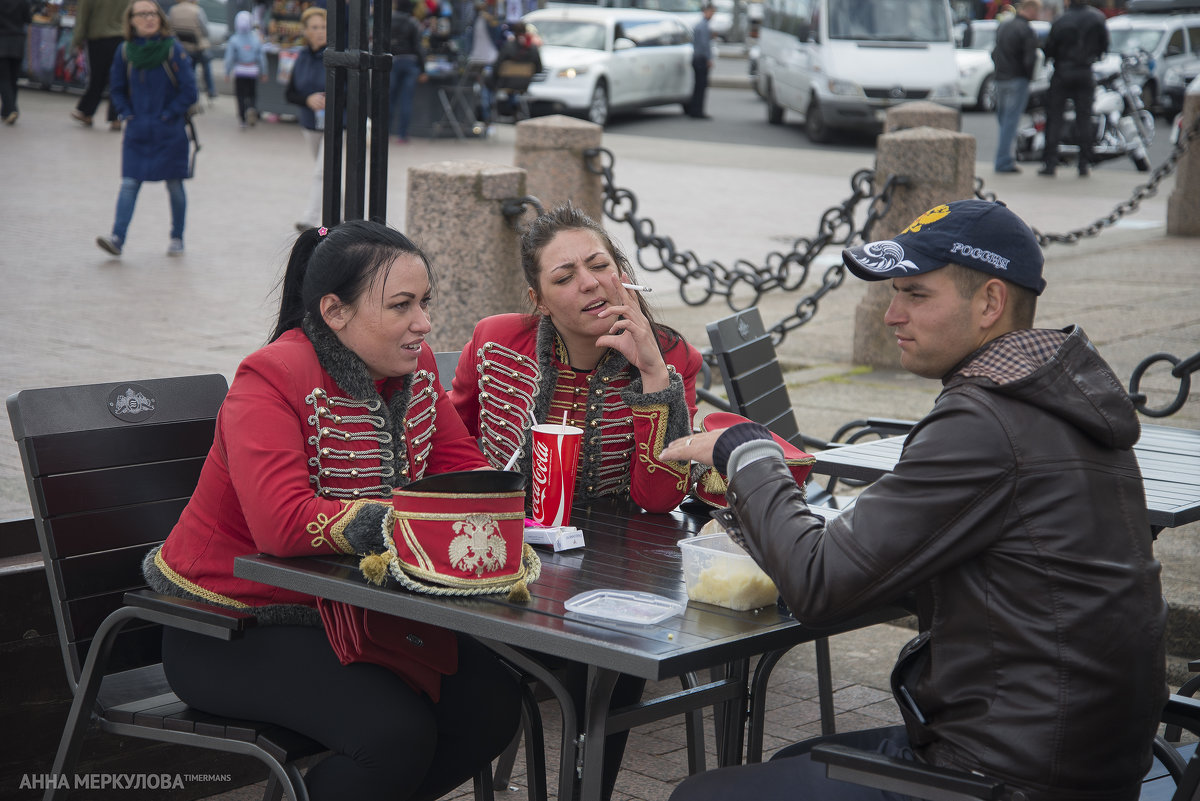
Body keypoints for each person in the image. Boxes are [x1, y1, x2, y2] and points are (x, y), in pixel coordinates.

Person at [661, 199, 1167, 801]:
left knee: (704, 796)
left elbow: (821, 586)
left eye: (916, 295)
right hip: (1088, 760)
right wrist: (784, 527)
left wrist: (746, 453)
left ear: (989, 303)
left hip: (1007, 777)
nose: (892, 315)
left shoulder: (985, 421)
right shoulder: (1051, 398)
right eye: (893, 294)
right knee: (801, 756)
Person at [142, 220, 522, 801]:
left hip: (345, 614)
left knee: (491, 707)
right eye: (402, 305)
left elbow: (464, 477)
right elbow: (282, 523)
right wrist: (406, 522)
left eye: (425, 302)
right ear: (335, 312)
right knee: (392, 736)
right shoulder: (269, 376)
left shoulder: (412, 369)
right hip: (227, 626)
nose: (424, 322)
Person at [448, 204, 702, 801]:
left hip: (615, 566)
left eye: (600, 265)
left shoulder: (669, 355)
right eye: (565, 277)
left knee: (619, 662)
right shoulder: (496, 341)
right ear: (537, 299)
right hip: (505, 562)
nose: (590, 283)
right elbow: (449, 448)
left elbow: (660, 497)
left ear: (623, 273)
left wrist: (652, 374)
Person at [94, 0, 197, 258]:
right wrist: (127, 113)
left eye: (153, 13)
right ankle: (117, 238)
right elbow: (116, 88)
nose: (149, 18)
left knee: (174, 185)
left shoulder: (172, 49)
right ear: (131, 20)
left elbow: (190, 90)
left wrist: (168, 114)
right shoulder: (125, 51)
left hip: (169, 132)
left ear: (160, 18)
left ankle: (177, 236)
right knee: (129, 183)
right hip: (137, 131)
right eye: (142, 14)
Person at [1039, 0, 1108, 177]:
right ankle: (1084, 163)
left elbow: (1049, 48)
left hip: (1062, 71)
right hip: (1085, 71)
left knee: (1055, 118)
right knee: (1084, 118)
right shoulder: (1097, 18)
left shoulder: (1061, 20)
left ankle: (1050, 163)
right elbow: (1104, 46)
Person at [286, 6, 328, 232]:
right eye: (315, 27)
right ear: (306, 31)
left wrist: (331, 99)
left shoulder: (334, 56)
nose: (320, 31)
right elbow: (290, 93)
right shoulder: (301, 57)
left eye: (323, 27)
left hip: (336, 124)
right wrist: (307, 99)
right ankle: (341, 216)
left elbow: (352, 91)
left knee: (322, 171)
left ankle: (309, 220)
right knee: (328, 172)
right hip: (310, 125)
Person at [991, 0, 1041, 173]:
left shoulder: (1004, 26)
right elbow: (1030, 59)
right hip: (1017, 78)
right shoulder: (1026, 30)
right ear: (1030, 9)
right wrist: (1029, 77)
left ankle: (1003, 158)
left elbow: (994, 52)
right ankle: (1004, 161)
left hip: (1000, 78)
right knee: (1010, 123)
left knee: (1004, 120)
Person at [70, 0, 127, 130]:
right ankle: (116, 118)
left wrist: (77, 40)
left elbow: (82, 16)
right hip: (122, 38)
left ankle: (87, 112)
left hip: (98, 39)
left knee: (97, 78)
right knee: (118, 79)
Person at [389, 0, 427, 143]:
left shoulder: (389, 21)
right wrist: (423, 69)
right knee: (406, 100)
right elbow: (418, 47)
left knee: (390, 99)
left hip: (393, 61)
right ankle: (402, 135)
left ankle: (385, 132)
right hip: (410, 63)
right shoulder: (413, 23)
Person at [167, 0, 217, 104]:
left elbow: (169, 29)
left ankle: (194, 93)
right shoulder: (198, 10)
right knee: (207, 66)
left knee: (190, 70)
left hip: (183, 47)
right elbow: (205, 31)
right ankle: (211, 90)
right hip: (198, 47)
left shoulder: (172, 10)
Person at [224, 9, 267, 128]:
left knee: (240, 96)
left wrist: (227, 72)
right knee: (252, 94)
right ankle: (251, 108)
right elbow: (261, 57)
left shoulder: (234, 40)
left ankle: (242, 118)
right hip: (252, 70)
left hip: (240, 71)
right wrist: (264, 72)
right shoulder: (255, 39)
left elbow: (229, 58)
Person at [491, 20, 540, 120]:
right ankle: (515, 106)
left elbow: (497, 67)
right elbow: (539, 68)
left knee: (489, 81)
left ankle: (493, 111)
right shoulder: (533, 47)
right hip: (524, 84)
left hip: (506, 83)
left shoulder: (508, 46)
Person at [0, 0, 31, 125]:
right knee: (13, 79)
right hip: (18, 41)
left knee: (3, 79)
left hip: (2, 40)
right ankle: (6, 110)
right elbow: (28, 19)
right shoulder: (24, 1)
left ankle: (11, 109)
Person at [687, 2, 715, 119]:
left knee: (698, 85)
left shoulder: (700, 24)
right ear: (706, 11)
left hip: (697, 57)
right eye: (711, 12)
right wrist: (709, 59)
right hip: (701, 59)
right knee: (701, 86)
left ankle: (694, 110)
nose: (713, 15)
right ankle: (698, 111)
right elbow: (705, 44)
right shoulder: (704, 26)